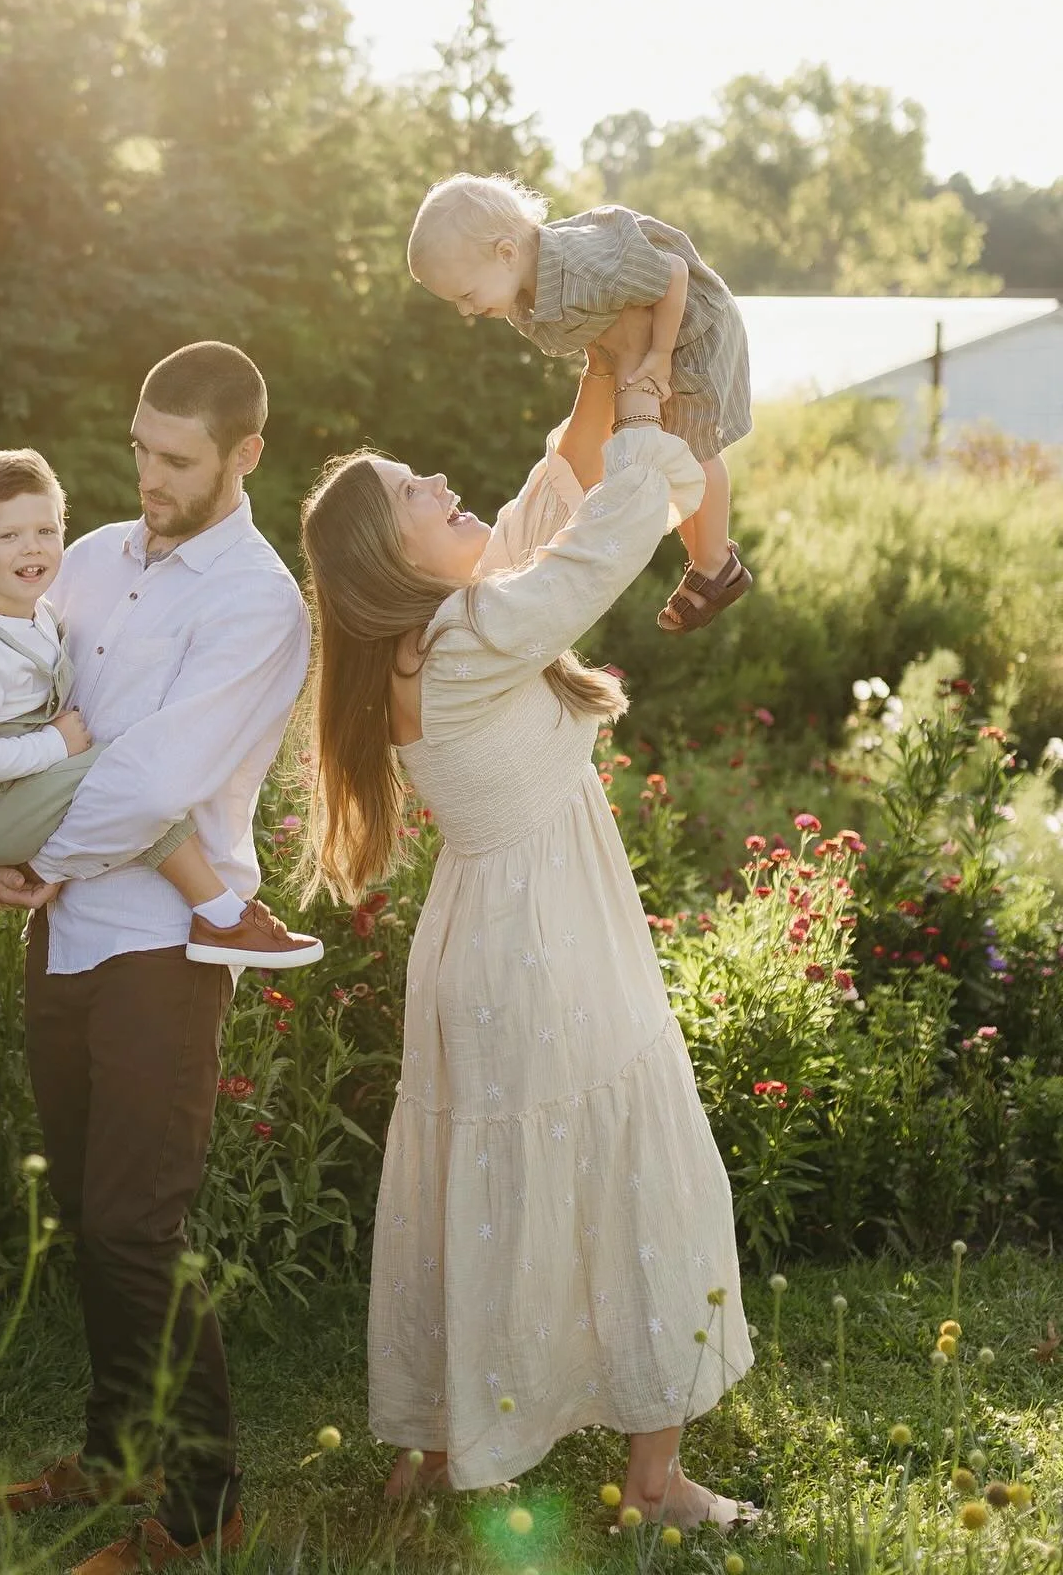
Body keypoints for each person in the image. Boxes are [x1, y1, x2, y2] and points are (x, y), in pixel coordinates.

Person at [297, 364, 756, 1528]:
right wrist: (655, 441)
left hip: (497, 945)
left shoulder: (437, 633)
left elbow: (550, 505)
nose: (440, 481)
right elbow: (592, 558)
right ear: (385, 557)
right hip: (540, 952)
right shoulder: (461, 638)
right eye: (413, 491)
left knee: (492, 1202)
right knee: (639, 1175)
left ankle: (441, 1453)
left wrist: (607, 375)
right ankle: (652, 1485)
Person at [0, 344, 314, 1575]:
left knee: (134, 1224)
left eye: (176, 459)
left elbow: (158, 778)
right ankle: (116, 1454)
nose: (149, 476)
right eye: (138, 449)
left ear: (243, 456)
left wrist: (42, 853)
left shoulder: (260, 605)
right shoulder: (101, 553)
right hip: (62, 931)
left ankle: (207, 1512)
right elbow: (15, 714)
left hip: (169, 943)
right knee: (82, 1207)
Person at [0, 445, 321, 970]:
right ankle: (223, 916)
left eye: (46, 531)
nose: (34, 549)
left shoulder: (36, 608)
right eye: (8, 536)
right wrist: (55, 745)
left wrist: (35, 856)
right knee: (127, 767)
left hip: (138, 924)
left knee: (132, 774)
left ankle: (221, 915)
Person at [407, 172, 754, 635]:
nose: (465, 312)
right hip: (653, 338)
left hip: (693, 328)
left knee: (693, 448)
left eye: (466, 296)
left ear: (506, 253)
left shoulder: (584, 268)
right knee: (670, 453)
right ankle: (702, 560)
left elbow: (673, 272)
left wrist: (659, 356)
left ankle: (716, 565)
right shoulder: (523, 298)